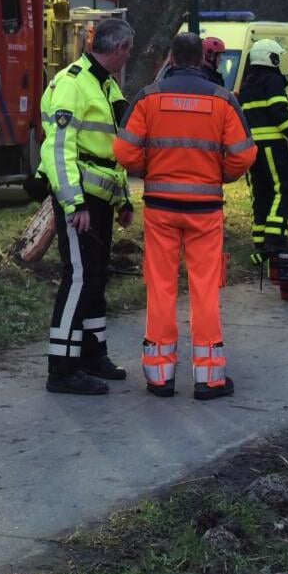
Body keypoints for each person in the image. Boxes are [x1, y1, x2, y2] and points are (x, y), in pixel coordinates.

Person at [114, 32, 257, 401]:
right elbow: (243, 155)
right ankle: (209, 379)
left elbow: (125, 151)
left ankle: (160, 376)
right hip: (205, 211)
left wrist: (152, 169)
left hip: (162, 207)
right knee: (204, 290)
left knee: (160, 288)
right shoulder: (224, 101)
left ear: (171, 57)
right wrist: (218, 174)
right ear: (202, 60)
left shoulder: (148, 97)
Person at [38, 18, 136, 395]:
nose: (127, 57)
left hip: (99, 199)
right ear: (119, 49)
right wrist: (73, 202)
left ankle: (93, 355)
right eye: (127, 50)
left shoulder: (104, 84)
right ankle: (62, 370)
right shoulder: (73, 82)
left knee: (96, 277)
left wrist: (123, 198)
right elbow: (58, 148)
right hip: (81, 201)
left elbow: (112, 151)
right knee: (78, 278)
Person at [239, 38, 288, 262]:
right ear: (269, 57)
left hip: (253, 148)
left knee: (262, 191)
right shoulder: (272, 80)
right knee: (284, 189)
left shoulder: (247, 83)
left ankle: (260, 237)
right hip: (273, 145)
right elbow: (278, 112)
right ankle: (274, 238)